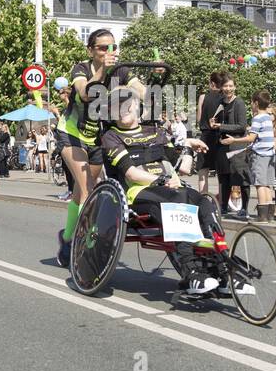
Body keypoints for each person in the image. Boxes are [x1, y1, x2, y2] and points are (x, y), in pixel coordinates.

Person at [98, 87, 223, 295]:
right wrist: (162, 180)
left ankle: (220, 266)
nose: (123, 109)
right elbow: (131, 174)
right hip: (139, 192)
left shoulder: (156, 133)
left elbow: (182, 168)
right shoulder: (112, 136)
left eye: (128, 104)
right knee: (180, 198)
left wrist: (189, 147)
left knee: (205, 202)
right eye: (117, 106)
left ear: (138, 107)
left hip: (172, 188)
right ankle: (191, 271)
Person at [54, 28, 145, 266]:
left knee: (80, 192)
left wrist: (153, 81)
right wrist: (104, 68)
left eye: (112, 47)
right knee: (87, 190)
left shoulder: (122, 70)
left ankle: (66, 239)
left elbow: (141, 90)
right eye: (103, 48)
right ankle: (87, 246)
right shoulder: (81, 68)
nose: (108, 52)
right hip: (71, 134)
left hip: (96, 138)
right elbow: (85, 93)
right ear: (91, 50)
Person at [220, 90, 276, 222]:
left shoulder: (257, 118)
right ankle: (270, 214)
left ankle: (261, 215)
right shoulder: (268, 117)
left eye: (252, 102)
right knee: (267, 184)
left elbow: (251, 138)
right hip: (270, 154)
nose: (251, 105)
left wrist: (234, 140)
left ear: (256, 103)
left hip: (260, 155)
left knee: (260, 184)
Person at [211, 75, 251, 220]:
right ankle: (223, 206)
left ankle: (244, 208)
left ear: (235, 87)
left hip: (237, 145)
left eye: (230, 86)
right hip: (222, 145)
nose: (228, 89)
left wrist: (221, 126)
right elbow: (218, 121)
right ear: (221, 87)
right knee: (224, 177)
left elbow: (241, 126)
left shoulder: (239, 102)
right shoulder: (221, 102)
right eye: (225, 86)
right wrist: (214, 123)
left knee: (241, 177)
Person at [195, 72, 225, 195]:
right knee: (221, 172)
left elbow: (198, 118)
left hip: (205, 136)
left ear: (212, 83)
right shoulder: (224, 98)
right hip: (219, 136)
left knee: (203, 171)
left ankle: (203, 197)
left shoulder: (203, 97)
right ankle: (222, 201)